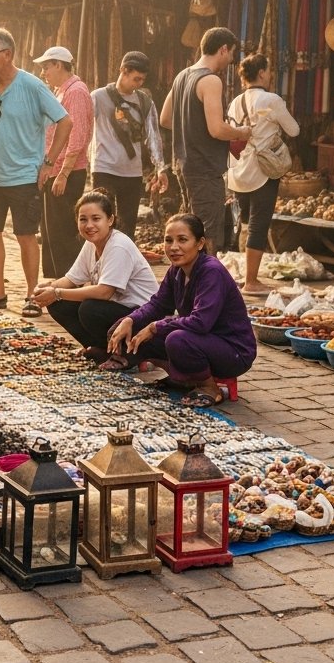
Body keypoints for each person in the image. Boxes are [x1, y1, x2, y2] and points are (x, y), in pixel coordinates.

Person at [0, 27, 71, 317]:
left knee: (26, 235)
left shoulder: (32, 86)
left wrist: (49, 163)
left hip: (25, 175)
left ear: (8, 54)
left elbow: (65, 122)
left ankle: (31, 295)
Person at [107, 213, 256, 407]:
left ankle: (209, 387)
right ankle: (183, 378)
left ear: (200, 243)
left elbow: (201, 322)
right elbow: (158, 304)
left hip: (233, 350)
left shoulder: (211, 271)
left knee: (177, 339)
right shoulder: (176, 270)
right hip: (203, 340)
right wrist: (130, 320)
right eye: (169, 240)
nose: (174, 247)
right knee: (129, 327)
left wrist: (155, 327)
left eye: (182, 240)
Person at [31, 189, 157, 369]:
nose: (89, 225)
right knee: (58, 304)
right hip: (118, 312)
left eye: (96, 219)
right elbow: (71, 279)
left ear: (110, 220)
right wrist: (46, 288)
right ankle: (103, 349)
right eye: (83, 219)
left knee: (90, 308)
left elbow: (105, 292)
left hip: (140, 316)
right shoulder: (91, 244)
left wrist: (57, 292)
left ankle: (129, 354)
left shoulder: (119, 246)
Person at [163, 27, 252, 254]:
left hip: (183, 166)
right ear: (222, 49)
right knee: (207, 235)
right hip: (204, 168)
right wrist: (241, 132)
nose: (231, 59)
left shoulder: (182, 76)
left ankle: (189, 286)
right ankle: (205, 286)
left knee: (189, 233)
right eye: (231, 53)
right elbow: (216, 129)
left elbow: (165, 119)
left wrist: (191, 127)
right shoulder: (210, 80)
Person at [227, 53, 299, 295]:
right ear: (260, 73)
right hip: (262, 171)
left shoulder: (235, 101)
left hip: (238, 170)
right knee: (259, 224)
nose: (270, 75)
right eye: (268, 71)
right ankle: (251, 281)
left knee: (245, 222)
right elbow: (294, 129)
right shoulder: (271, 99)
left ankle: (239, 275)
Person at [91, 51, 164, 241]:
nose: (138, 84)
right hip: (103, 168)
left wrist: (160, 168)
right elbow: (81, 128)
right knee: (101, 224)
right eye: (136, 79)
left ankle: (122, 267)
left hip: (132, 172)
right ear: (123, 70)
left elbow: (153, 136)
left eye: (142, 80)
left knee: (127, 227)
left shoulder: (144, 101)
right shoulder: (98, 97)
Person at [34, 45, 90, 280]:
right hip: (54, 169)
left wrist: (64, 173)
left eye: (47, 67)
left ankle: (67, 283)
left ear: (59, 65)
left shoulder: (76, 91)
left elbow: (77, 136)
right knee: (50, 232)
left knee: (63, 232)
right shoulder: (60, 91)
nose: (44, 72)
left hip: (67, 172)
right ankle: (55, 281)